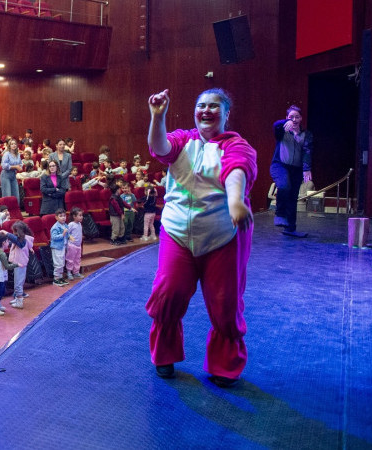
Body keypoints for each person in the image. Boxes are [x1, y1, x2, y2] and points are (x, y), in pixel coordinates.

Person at [145, 88, 256, 387]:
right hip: (177, 231)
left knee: (225, 303)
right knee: (169, 293)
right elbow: (160, 148)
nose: (206, 110)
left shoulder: (237, 145)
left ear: (227, 113)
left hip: (221, 235)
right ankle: (164, 355)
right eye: (201, 105)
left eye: (214, 106)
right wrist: (158, 117)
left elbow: (236, 172)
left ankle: (224, 365)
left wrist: (236, 202)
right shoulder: (184, 139)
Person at [271, 105, 312, 237]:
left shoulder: (306, 134)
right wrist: (284, 122)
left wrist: (306, 169)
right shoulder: (282, 130)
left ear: (301, 119)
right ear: (287, 118)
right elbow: (275, 125)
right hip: (280, 166)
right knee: (283, 186)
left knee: (293, 198)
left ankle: (290, 228)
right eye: (291, 117)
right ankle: (280, 214)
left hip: (296, 169)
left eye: (297, 117)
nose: (294, 120)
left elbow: (307, 152)